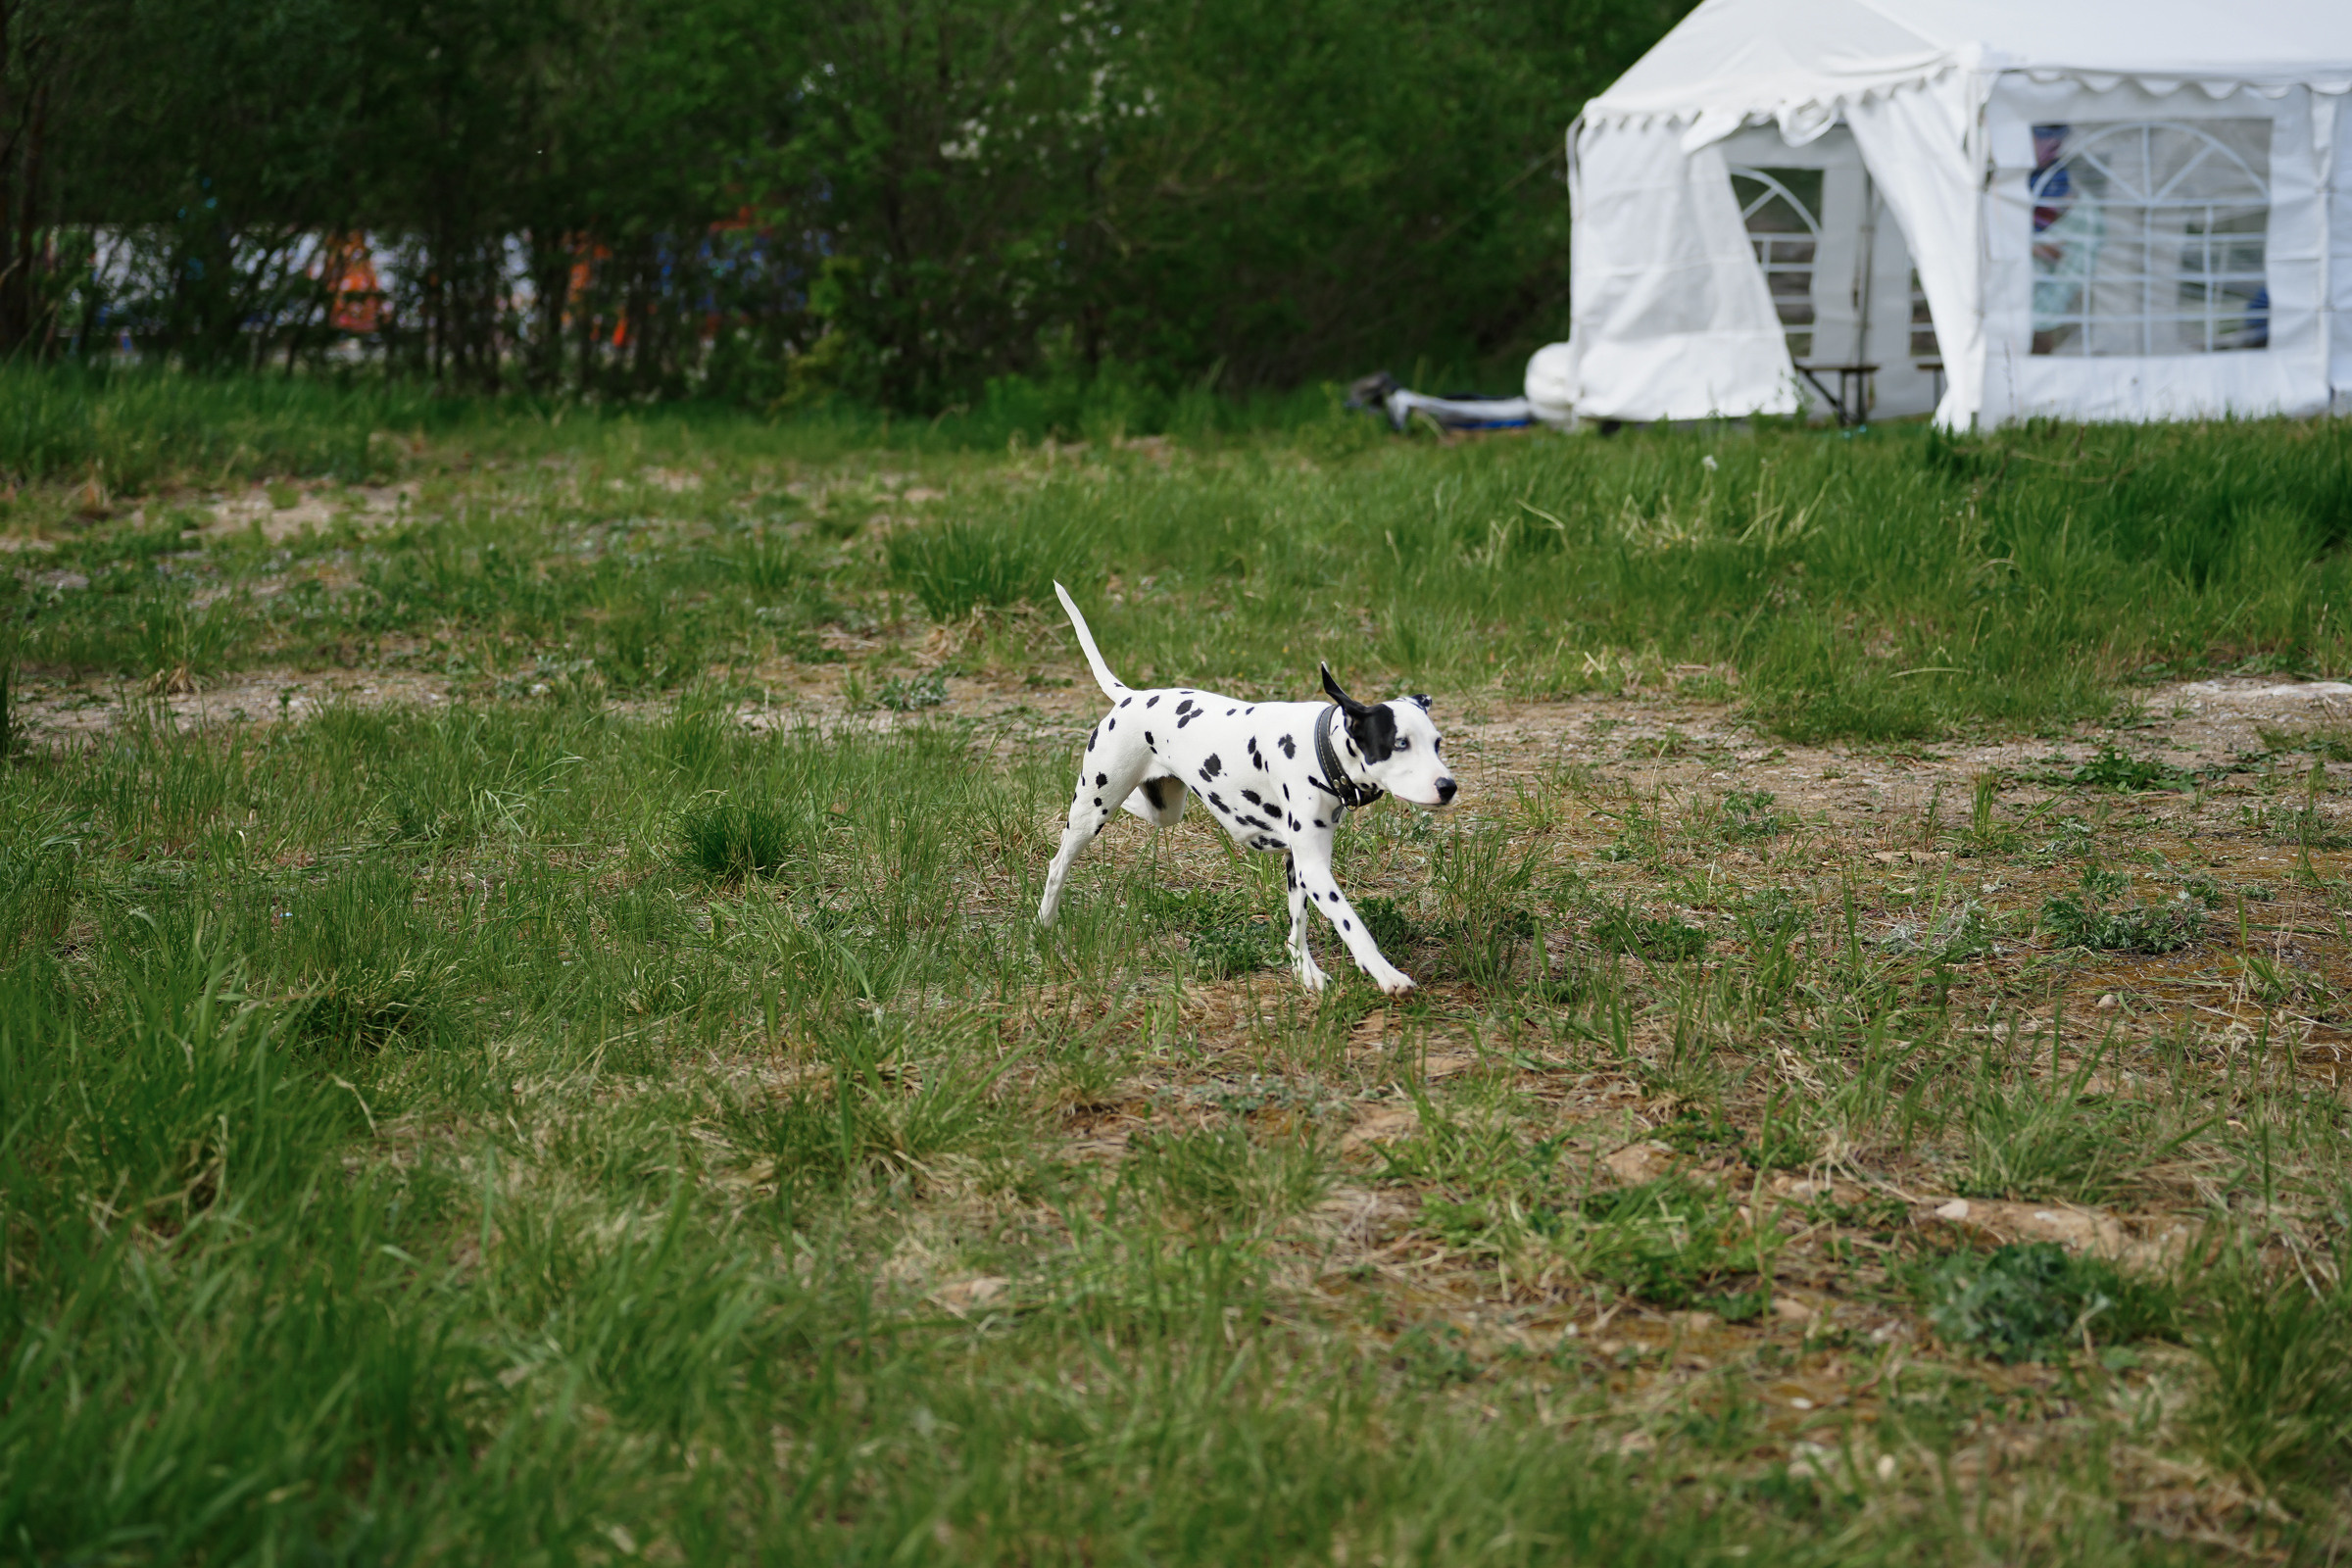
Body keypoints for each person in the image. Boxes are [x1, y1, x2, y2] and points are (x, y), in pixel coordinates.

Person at [2029, 124, 2100, 354]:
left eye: (2057, 142)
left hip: (2047, 266)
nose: (2052, 147)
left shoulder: (2056, 177)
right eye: (2046, 140)